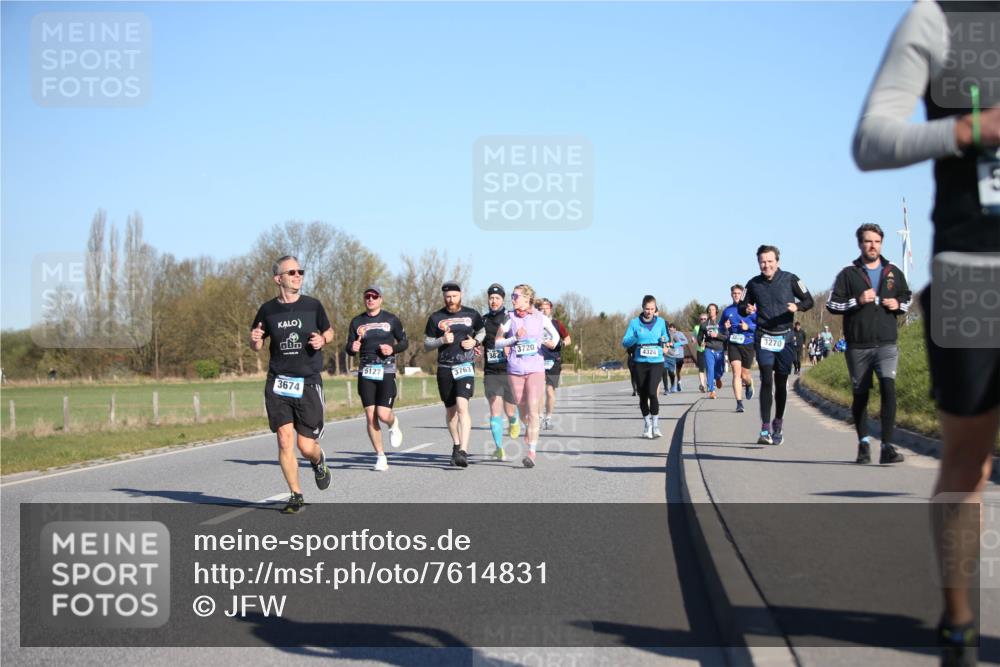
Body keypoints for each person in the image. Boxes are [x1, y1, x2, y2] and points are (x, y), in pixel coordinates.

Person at [855, 5, 1000, 661]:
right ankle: (958, 617)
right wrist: (969, 129)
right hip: (974, 271)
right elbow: (872, 140)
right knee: (968, 459)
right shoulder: (941, 18)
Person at [249, 255, 333, 514]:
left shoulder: (313, 305)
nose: (298, 275)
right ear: (279, 279)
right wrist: (254, 339)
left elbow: (329, 331)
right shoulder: (267, 310)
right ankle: (296, 494)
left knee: (305, 447)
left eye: (300, 271)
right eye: (292, 272)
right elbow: (258, 343)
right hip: (279, 381)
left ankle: (318, 461)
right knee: (285, 440)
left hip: (307, 382)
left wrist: (323, 340)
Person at [826, 223, 912, 466]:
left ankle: (887, 446)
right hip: (858, 345)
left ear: (881, 243)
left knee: (889, 389)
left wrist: (899, 305)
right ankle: (863, 443)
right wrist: (857, 300)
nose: (872, 245)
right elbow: (832, 304)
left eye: (876, 241)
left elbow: (907, 296)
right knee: (861, 394)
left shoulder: (893, 271)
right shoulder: (848, 274)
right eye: (868, 241)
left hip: (886, 343)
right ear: (860, 244)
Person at [739, 244, 814, 445]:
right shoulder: (753, 284)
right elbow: (741, 306)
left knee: (780, 383)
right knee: (766, 378)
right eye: (763, 262)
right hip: (764, 336)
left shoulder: (791, 279)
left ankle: (778, 423)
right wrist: (746, 308)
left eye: (770, 261)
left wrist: (797, 306)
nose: (766, 265)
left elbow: (809, 300)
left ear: (777, 262)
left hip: (786, 338)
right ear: (759, 263)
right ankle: (765, 428)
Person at [493, 284, 559, 467]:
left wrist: (551, 342)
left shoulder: (540, 317)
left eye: (516, 296)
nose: (512, 299)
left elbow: (555, 336)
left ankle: (532, 452)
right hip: (515, 369)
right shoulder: (509, 317)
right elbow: (497, 342)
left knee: (533, 410)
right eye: (512, 296)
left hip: (536, 369)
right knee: (523, 412)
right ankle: (527, 428)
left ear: (526, 299)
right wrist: (514, 339)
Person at [345, 285, 408, 472]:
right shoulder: (357, 321)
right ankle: (380, 456)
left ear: (380, 299)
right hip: (365, 372)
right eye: (367, 296)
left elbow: (404, 342)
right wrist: (352, 348)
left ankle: (393, 423)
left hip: (386, 371)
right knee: (370, 415)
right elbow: (348, 346)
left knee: (383, 414)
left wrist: (393, 349)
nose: (370, 299)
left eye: (374, 296)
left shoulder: (391, 319)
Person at [423, 281, 485, 468]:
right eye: (447, 297)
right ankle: (456, 445)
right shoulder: (436, 317)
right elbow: (426, 344)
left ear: (461, 295)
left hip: (465, 365)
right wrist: (442, 340)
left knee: (462, 407)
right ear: (444, 297)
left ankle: (464, 451)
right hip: (445, 367)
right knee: (451, 412)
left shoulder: (472, 314)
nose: (451, 300)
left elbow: (482, 331)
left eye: (454, 296)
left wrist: (474, 342)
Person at [481, 283, 520, 461]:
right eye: (491, 298)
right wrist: (475, 348)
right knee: (495, 410)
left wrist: (510, 347)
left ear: (502, 299)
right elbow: (477, 340)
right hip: (490, 371)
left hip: (508, 369)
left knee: (509, 410)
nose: (493, 301)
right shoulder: (483, 320)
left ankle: (513, 420)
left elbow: (520, 339)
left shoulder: (509, 318)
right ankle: (499, 448)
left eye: (497, 298)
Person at [621, 295, 669, 438]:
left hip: (656, 361)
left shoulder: (661, 322)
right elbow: (625, 342)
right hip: (640, 362)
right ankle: (647, 424)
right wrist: (635, 337)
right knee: (643, 395)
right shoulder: (634, 323)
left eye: (652, 309)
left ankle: (655, 425)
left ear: (656, 309)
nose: (649, 311)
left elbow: (665, 336)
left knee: (653, 393)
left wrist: (664, 340)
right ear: (642, 308)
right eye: (647, 309)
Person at [722, 284, 757, 413]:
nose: (736, 295)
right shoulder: (727, 311)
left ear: (743, 295)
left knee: (744, 374)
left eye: (738, 293)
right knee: (736, 373)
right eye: (734, 293)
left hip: (748, 343)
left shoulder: (751, 309)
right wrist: (725, 327)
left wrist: (748, 328)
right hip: (733, 343)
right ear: (731, 295)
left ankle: (748, 383)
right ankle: (739, 403)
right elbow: (721, 327)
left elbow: (760, 325)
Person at [538, 297, 571, 430]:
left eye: (546, 308)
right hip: (538, 359)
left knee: (550, 391)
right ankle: (539, 418)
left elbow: (568, 339)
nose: (543, 310)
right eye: (540, 308)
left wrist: (560, 343)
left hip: (553, 360)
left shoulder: (557, 324)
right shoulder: (534, 323)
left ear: (550, 309)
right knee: (539, 391)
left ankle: (548, 418)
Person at [697, 303, 727, 400]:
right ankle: (711, 390)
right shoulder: (704, 325)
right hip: (709, 348)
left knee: (720, 370)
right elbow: (699, 337)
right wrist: (700, 342)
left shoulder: (722, 323)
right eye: (709, 310)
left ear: (716, 311)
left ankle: (718, 377)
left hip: (720, 349)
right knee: (710, 369)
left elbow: (726, 336)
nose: (711, 311)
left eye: (713, 309)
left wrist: (717, 335)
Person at [667, 323, 688, 392]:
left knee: (678, 371)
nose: (671, 330)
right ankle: (673, 386)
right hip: (671, 355)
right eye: (669, 329)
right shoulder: (667, 335)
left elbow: (686, 341)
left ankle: (679, 382)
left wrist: (676, 344)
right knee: (672, 371)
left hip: (679, 355)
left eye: (672, 329)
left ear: (675, 329)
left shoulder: (679, 334)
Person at [693, 313, 709, 392]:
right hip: (700, 350)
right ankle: (702, 385)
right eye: (701, 319)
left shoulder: (710, 327)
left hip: (709, 349)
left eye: (704, 319)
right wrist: (693, 339)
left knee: (709, 368)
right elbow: (694, 336)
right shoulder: (696, 327)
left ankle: (710, 383)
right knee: (701, 368)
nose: (703, 320)